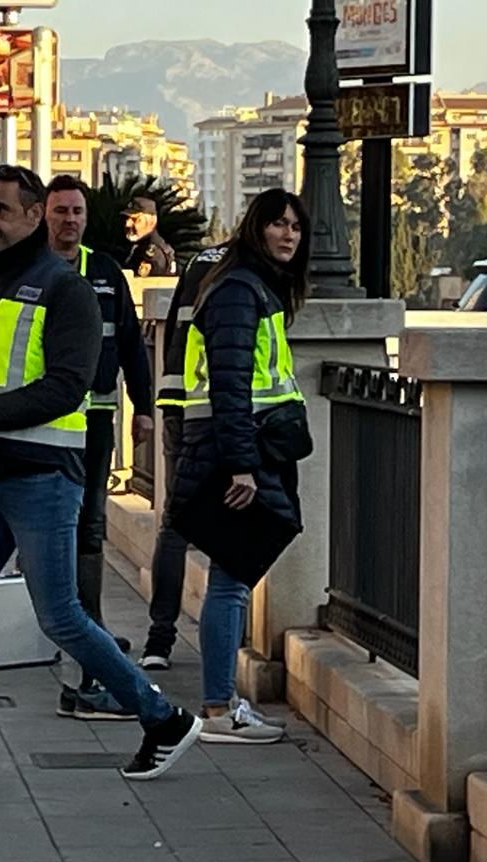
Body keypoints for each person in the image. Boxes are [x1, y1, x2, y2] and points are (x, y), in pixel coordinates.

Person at [0, 164, 200, 791]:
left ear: (34, 215)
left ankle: (161, 717)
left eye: (3, 210)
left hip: (42, 477)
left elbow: (68, 383)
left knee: (60, 617)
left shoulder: (65, 288)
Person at [167, 188, 313, 745]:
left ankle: (221, 701)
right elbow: (230, 385)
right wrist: (242, 467)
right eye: (277, 224)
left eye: (295, 228)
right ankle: (219, 708)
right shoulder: (237, 291)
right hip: (238, 449)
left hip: (247, 446)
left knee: (234, 575)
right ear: (256, 228)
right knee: (230, 580)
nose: (288, 236)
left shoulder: (253, 287)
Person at [43, 174, 155, 721]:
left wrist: (147, 408)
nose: (70, 220)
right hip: (41, 426)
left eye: (77, 212)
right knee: (50, 527)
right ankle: (67, 626)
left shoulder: (106, 271)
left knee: (90, 526)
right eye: (61, 211)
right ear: (44, 215)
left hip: (97, 419)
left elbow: (131, 343)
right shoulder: (30, 271)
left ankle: (89, 630)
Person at [141, 242, 227, 671]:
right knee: (231, 532)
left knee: (175, 524)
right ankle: (228, 638)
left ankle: (159, 640)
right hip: (218, 414)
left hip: (178, 402)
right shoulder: (247, 271)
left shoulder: (201, 261)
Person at [123, 196, 177, 278]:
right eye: (127, 219)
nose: (128, 224)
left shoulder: (153, 254)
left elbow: (146, 287)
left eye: (135, 219)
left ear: (152, 221)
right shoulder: (140, 247)